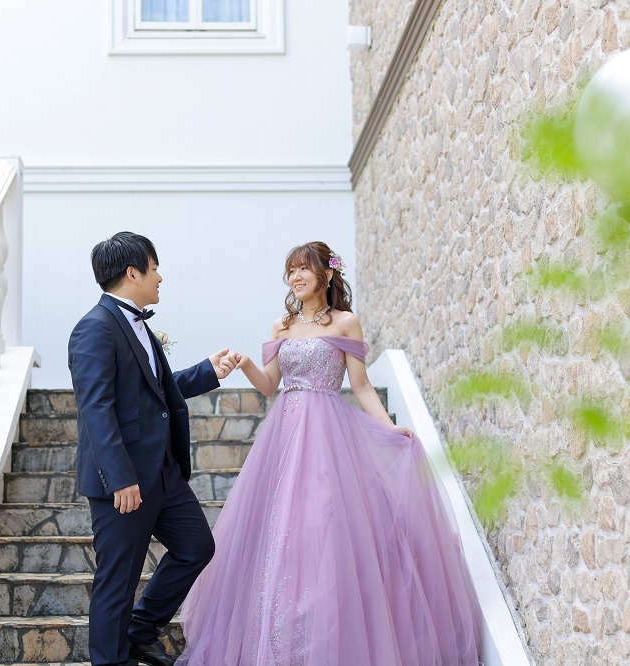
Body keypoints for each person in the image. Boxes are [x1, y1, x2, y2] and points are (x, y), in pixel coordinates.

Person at [177, 242, 481, 665]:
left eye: (303, 269)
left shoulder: (345, 322)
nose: (295, 277)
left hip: (328, 434)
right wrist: (245, 363)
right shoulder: (282, 324)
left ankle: (329, 633)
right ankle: (283, 635)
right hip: (285, 436)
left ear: (327, 273)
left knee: (326, 524)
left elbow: (362, 386)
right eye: (290, 271)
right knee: (282, 529)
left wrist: (389, 427)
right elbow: (269, 386)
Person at [68, 232, 239, 666]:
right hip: (125, 479)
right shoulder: (94, 327)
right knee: (118, 579)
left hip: (163, 472)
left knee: (196, 547)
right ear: (133, 273)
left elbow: (157, 391)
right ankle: (111, 660)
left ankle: (139, 632)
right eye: (155, 267)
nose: (160, 277)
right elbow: (96, 410)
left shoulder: (138, 325)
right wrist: (120, 477)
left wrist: (207, 371)